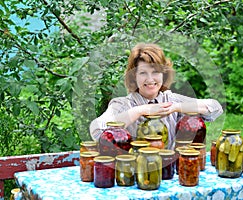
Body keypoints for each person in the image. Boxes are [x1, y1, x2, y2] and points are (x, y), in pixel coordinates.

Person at [89, 43, 223, 150]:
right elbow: (96, 130)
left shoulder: (171, 100)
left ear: (163, 74)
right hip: (135, 174)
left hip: (169, 172)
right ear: (133, 77)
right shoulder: (123, 104)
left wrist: (177, 107)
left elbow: (215, 108)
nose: (150, 79)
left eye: (155, 72)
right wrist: (140, 111)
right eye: (143, 73)